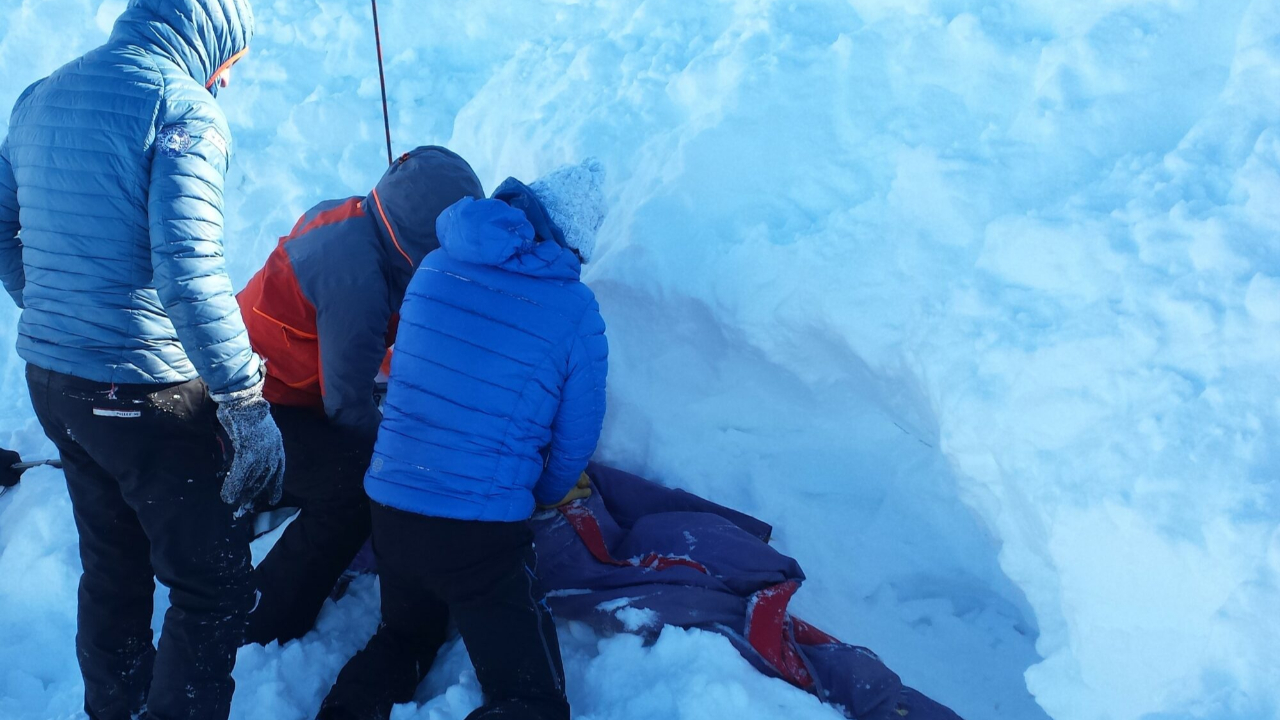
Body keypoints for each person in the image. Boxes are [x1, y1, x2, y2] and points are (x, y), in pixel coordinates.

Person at [0, 2, 284, 719]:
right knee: (212, 585)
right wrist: (245, 400)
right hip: (141, 396)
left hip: (54, 384)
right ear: (210, 39)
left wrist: (52, 308)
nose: (225, 83)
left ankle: (115, 710)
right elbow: (188, 273)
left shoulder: (41, 94)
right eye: (232, 64)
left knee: (112, 567)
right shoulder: (181, 107)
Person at [318, 159, 610, 720]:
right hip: (478, 536)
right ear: (571, 242)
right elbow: (576, 437)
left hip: (393, 511)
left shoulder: (434, 267)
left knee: (403, 639)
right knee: (531, 698)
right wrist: (548, 489)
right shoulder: (574, 310)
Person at [236, 146, 484, 645]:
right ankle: (267, 613)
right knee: (357, 483)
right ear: (423, 237)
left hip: (264, 385)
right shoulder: (359, 283)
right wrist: (401, 460)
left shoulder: (358, 216)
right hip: (248, 411)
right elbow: (346, 406)